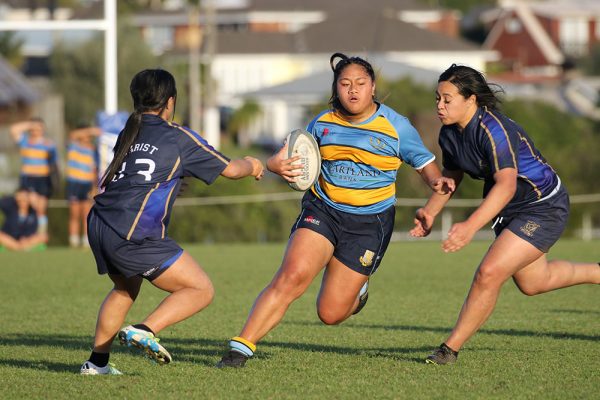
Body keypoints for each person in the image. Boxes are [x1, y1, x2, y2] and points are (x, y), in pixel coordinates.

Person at [216, 53, 454, 368]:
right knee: (292, 276)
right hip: (323, 210)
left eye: (360, 83)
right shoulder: (322, 123)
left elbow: (425, 164)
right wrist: (276, 165)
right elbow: (280, 158)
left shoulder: (396, 126)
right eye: (345, 84)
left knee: (330, 314)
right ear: (336, 87)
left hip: (370, 224)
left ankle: (359, 291)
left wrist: (436, 182)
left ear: (373, 87)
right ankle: (239, 350)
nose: (352, 90)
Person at [410, 64, 600, 365]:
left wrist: (471, 226)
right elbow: (453, 173)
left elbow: (507, 184)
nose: (439, 105)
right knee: (534, 283)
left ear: (471, 99)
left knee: (489, 273)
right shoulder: (449, 134)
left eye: (447, 99)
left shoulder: (492, 129)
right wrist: (430, 211)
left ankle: (449, 349)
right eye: (437, 98)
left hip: (543, 204)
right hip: (510, 209)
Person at [80, 68, 265, 375]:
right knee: (200, 289)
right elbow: (231, 169)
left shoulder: (130, 130)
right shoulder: (177, 136)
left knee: (125, 289)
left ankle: (96, 363)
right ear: (170, 101)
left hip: (99, 222)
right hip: (132, 230)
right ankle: (145, 329)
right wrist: (254, 163)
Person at [9, 118, 58, 236]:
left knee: (41, 209)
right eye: (34, 128)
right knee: (30, 205)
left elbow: (53, 164)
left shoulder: (48, 144)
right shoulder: (25, 141)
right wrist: (30, 124)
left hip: (43, 179)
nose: (36, 130)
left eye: (39, 127)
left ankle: (41, 235)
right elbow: (13, 129)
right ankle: (22, 234)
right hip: (28, 178)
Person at [65, 125, 101, 248]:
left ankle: (86, 241)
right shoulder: (73, 146)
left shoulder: (93, 150)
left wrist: (94, 187)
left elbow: (95, 170)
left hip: (87, 184)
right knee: (74, 213)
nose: (87, 137)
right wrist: (90, 130)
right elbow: (72, 135)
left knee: (86, 214)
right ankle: (73, 241)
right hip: (74, 183)